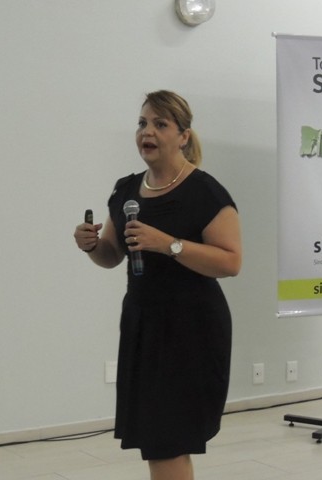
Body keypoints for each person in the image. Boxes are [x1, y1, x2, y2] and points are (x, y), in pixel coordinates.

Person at [73, 90, 241, 480]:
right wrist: (92, 245)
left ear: (183, 136)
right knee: (157, 440)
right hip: (143, 326)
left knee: (167, 442)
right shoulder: (126, 190)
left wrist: (169, 244)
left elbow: (231, 262)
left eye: (160, 124)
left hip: (192, 328)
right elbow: (112, 255)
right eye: (142, 123)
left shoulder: (205, 191)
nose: (147, 132)